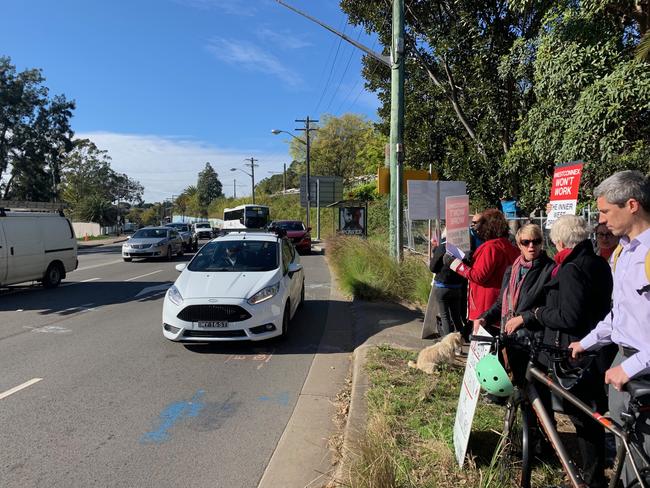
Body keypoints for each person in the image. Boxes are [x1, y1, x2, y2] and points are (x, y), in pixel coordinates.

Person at [569, 170, 650, 485]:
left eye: (605, 211)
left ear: (631, 205)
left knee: (643, 458)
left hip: (641, 368)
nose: (601, 220)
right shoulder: (622, 252)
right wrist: (586, 343)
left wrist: (630, 366)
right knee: (624, 447)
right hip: (624, 362)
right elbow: (619, 315)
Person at [533, 214, 613, 487]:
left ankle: (591, 479)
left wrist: (541, 312)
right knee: (590, 415)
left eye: (554, 241)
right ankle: (593, 475)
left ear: (562, 241)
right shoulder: (597, 263)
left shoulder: (571, 268)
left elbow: (569, 317)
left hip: (577, 352)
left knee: (583, 417)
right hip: (597, 349)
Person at [475, 224, 554, 382]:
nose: (531, 246)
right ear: (519, 244)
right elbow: (501, 303)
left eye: (536, 241)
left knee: (534, 387)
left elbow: (551, 308)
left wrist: (523, 318)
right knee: (515, 384)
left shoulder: (550, 269)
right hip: (511, 337)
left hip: (535, 339)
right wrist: (485, 318)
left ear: (542, 243)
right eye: (526, 242)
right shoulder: (512, 270)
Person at [446, 208, 520, 334]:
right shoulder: (510, 247)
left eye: (481, 225)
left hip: (485, 307)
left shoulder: (491, 247)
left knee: (483, 351)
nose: (477, 229)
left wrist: (455, 265)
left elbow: (479, 275)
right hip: (502, 306)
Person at [429, 231, 468, 338]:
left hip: (442, 286)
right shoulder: (463, 248)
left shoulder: (443, 247)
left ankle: (449, 345)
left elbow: (432, 268)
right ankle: (462, 340)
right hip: (457, 287)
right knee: (456, 317)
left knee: (445, 317)